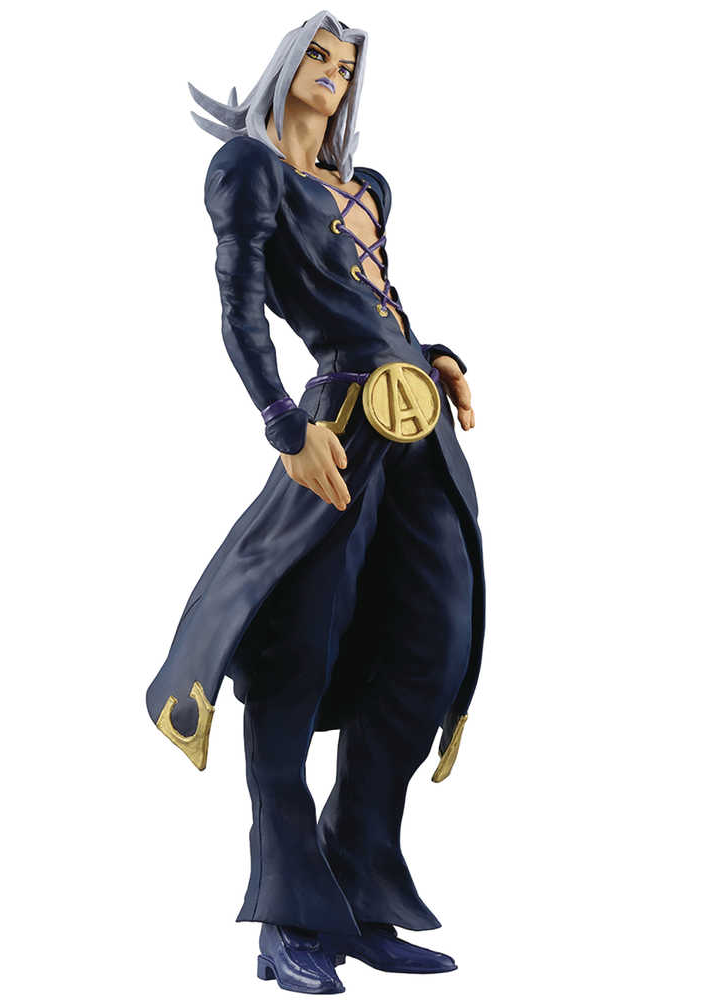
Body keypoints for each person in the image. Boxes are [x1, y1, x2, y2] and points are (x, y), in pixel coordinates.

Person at [146, 11, 486, 993]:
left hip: (421, 432)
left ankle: (361, 886)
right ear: (287, 65)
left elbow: (380, 308)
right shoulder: (249, 171)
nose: (333, 72)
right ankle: (289, 915)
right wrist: (284, 425)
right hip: (334, 429)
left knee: (431, 649)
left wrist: (433, 354)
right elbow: (239, 307)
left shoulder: (365, 188)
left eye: (347, 63)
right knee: (295, 655)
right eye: (320, 56)